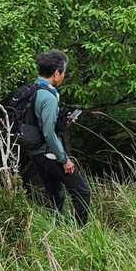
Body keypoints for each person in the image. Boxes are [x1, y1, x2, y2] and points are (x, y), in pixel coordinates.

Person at [28, 50, 91, 226]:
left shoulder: (34, 89)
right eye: (63, 72)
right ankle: (80, 232)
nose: (64, 76)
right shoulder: (48, 97)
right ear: (56, 73)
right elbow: (48, 132)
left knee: (55, 195)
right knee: (82, 191)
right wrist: (64, 159)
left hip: (36, 153)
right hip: (50, 153)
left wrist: (64, 123)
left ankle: (55, 231)